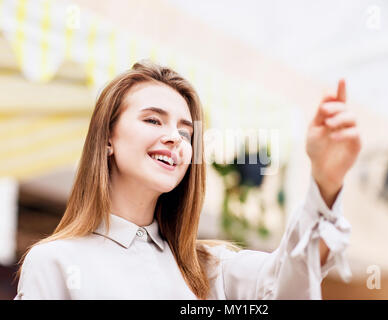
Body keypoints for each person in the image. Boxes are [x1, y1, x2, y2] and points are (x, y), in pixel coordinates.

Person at [14, 60, 361, 300]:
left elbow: (292, 278)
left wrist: (325, 183)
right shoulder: (55, 261)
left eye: (185, 132)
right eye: (153, 120)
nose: (175, 139)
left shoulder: (211, 269)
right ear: (107, 138)